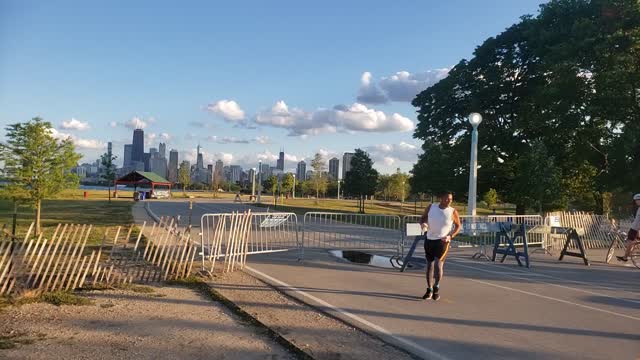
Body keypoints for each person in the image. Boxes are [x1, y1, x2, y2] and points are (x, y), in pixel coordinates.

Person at [419, 190, 461, 301]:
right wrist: (423, 223)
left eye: (451, 199)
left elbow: (458, 227)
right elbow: (423, 218)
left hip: (443, 241)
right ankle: (429, 289)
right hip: (429, 239)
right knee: (430, 265)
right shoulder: (431, 207)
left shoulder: (453, 211)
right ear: (441, 198)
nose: (449, 201)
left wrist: (450, 236)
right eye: (447, 198)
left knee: (438, 265)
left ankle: (436, 287)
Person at [617, 193, 640, 262]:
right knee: (634, 241)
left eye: (636, 200)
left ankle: (625, 257)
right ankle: (631, 252)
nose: (635, 202)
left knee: (630, 242)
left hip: (635, 228)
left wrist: (638, 229)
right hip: (636, 228)